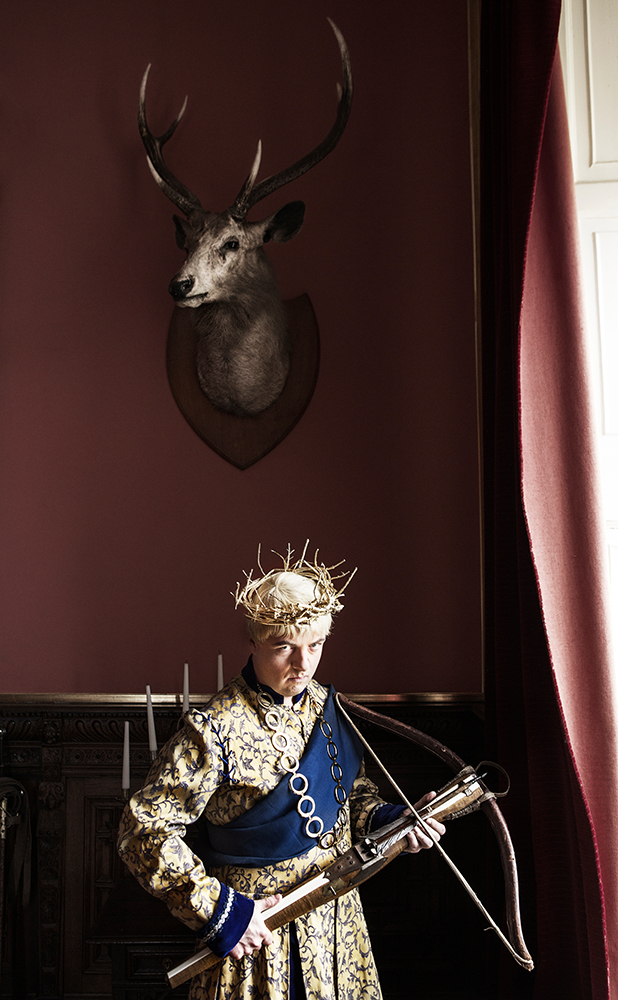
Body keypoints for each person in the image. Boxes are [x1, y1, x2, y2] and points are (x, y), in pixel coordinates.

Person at [118, 545, 445, 1000]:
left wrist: (395, 821)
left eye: (315, 645)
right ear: (253, 642)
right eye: (284, 646)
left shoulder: (328, 707)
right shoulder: (214, 728)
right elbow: (143, 831)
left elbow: (352, 797)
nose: (303, 663)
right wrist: (224, 913)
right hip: (258, 939)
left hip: (339, 933)